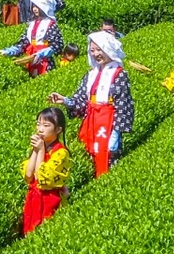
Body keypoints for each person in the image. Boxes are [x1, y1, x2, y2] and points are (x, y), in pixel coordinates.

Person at [49, 31, 134, 177]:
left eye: (99, 49)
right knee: (89, 156)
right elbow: (81, 98)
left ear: (108, 49)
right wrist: (66, 100)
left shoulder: (119, 74)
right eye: (92, 50)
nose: (95, 54)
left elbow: (123, 105)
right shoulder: (91, 74)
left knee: (108, 158)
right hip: (91, 121)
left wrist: (116, 133)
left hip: (108, 123)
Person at [22, 107, 71, 235]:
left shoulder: (61, 153)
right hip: (34, 199)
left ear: (58, 130)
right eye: (38, 124)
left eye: (46, 125)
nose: (40, 129)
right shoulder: (41, 146)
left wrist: (41, 150)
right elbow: (28, 175)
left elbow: (41, 179)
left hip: (50, 200)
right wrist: (36, 150)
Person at [1, 0, 64, 76]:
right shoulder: (32, 24)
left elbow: (57, 44)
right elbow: (24, 42)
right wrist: (10, 51)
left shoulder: (50, 24)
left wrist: (41, 54)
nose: (34, 9)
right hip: (31, 59)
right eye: (33, 7)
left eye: (37, 7)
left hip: (46, 62)